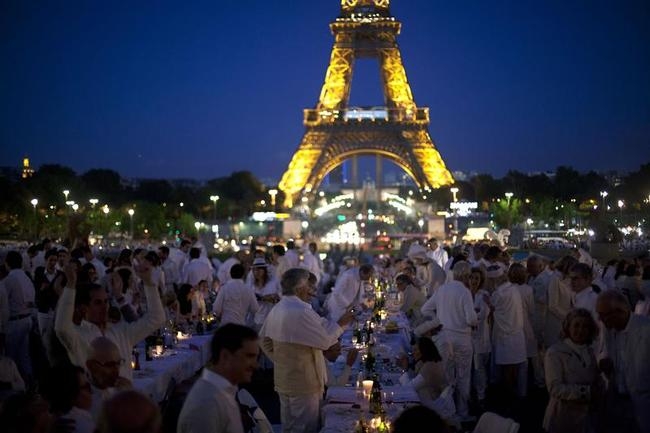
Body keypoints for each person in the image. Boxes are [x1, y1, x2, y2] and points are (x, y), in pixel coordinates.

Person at [260, 268, 354, 433]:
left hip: (284, 380)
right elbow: (325, 342)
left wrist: (280, 360)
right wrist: (342, 324)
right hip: (304, 383)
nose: (311, 291)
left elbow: (263, 339)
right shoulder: (301, 311)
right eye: (308, 287)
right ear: (299, 289)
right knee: (305, 428)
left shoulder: (279, 307)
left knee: (288, 427)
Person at [55, 262, 164, 380]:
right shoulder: (78, 336)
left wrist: (148, 282)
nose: (105, 307)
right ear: (83, 309)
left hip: (124, 395)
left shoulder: (121, 331)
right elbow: (61, 328)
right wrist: (70, 285)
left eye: (106, 301)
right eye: (98, 303)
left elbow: (156, 319)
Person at [420, 261, 477, 420]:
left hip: (445, 337)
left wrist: (437, 320)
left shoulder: (442, 289)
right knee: (463, 377)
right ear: (466, 275)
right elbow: (471, 319)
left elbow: (425, 309)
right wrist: (476, 319)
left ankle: (447, 411)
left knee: (447, 377)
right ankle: (462, 412)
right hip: (462, 339)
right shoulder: (465, 292)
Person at [178, 323, 259, 433]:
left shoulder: (222, 392)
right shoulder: (207, 405)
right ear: (225, 356)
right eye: (249, 356)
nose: (255, 365)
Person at [597, 290, 650, 433]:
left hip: (643, 405)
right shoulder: (609, 329)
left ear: (621, 311)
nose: (600, 319)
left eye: (603, 315)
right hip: (619, 402)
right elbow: (606, 353)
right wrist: (604, 362)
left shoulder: (645, 330)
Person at [543, 308, 601, 433]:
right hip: (562, 419)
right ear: (568, 327)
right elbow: (554, 388)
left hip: (586, 421)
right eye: (576, 325)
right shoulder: (555, 353)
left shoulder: (590, 353)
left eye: (585, 326)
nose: (580, 330)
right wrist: (586, 392)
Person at [489, 267, 526, 402]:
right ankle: (518, 396)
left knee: (507, 370)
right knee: (516, 368)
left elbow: (493, 308)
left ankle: (509, 398)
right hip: (517, 334)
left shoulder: (498, 294)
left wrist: (489, 303)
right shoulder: (514, 289)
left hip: (505, 336)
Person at [3, 250, 35, 384]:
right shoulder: (26, 277)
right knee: (24, 356)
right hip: (27, 319)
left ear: (6, 263)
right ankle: (30, 384)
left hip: (15, 322)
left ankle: (11, 386)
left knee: (9, 358)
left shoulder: (9, 279)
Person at [85, 337, 133, 420]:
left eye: (118, 363)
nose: (116, 370)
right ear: (91, 366)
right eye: (110, 364)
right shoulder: (83, 399)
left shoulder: (117, 388)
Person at [399, 337, 447, 404]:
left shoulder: (429, 367)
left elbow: (408, 389)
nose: (413, 353)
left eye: (415, 350)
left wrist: (404, 368)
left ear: (424, 351)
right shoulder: (430, 362)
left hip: (432, 405)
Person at [469, 266, 491, 405]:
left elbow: (482, 315)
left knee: (479, 368)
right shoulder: (464, 294)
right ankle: (469, 394)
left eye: (477, 278)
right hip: (466, 337)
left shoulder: (484, 295)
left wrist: (469, 317)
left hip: (480, 337)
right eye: (472, 278)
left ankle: (481, 396)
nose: (474, 281)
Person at [247, 258, 279, 330]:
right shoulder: (252, 286)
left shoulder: (273, 283)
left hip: (272, 318)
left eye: (259, 269)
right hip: (258, 319)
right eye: (254, 270)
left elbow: (280, 296)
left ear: (264, 270)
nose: (257, 272)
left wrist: (272, 297)